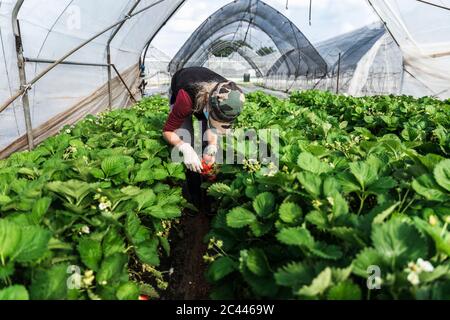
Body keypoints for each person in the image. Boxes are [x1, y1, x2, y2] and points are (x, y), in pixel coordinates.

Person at [163, 66, 245, 209]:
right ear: (207, 104)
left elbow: (214, 126)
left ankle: (208, 190)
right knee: (185, 138)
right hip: (184, 90)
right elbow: (168, 131)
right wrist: (185, 148)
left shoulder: (229, 93)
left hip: (206, 101)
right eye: (214, 116)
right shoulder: (184, 99)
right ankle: (194, 196)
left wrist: (212, 146)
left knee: (208, 142)